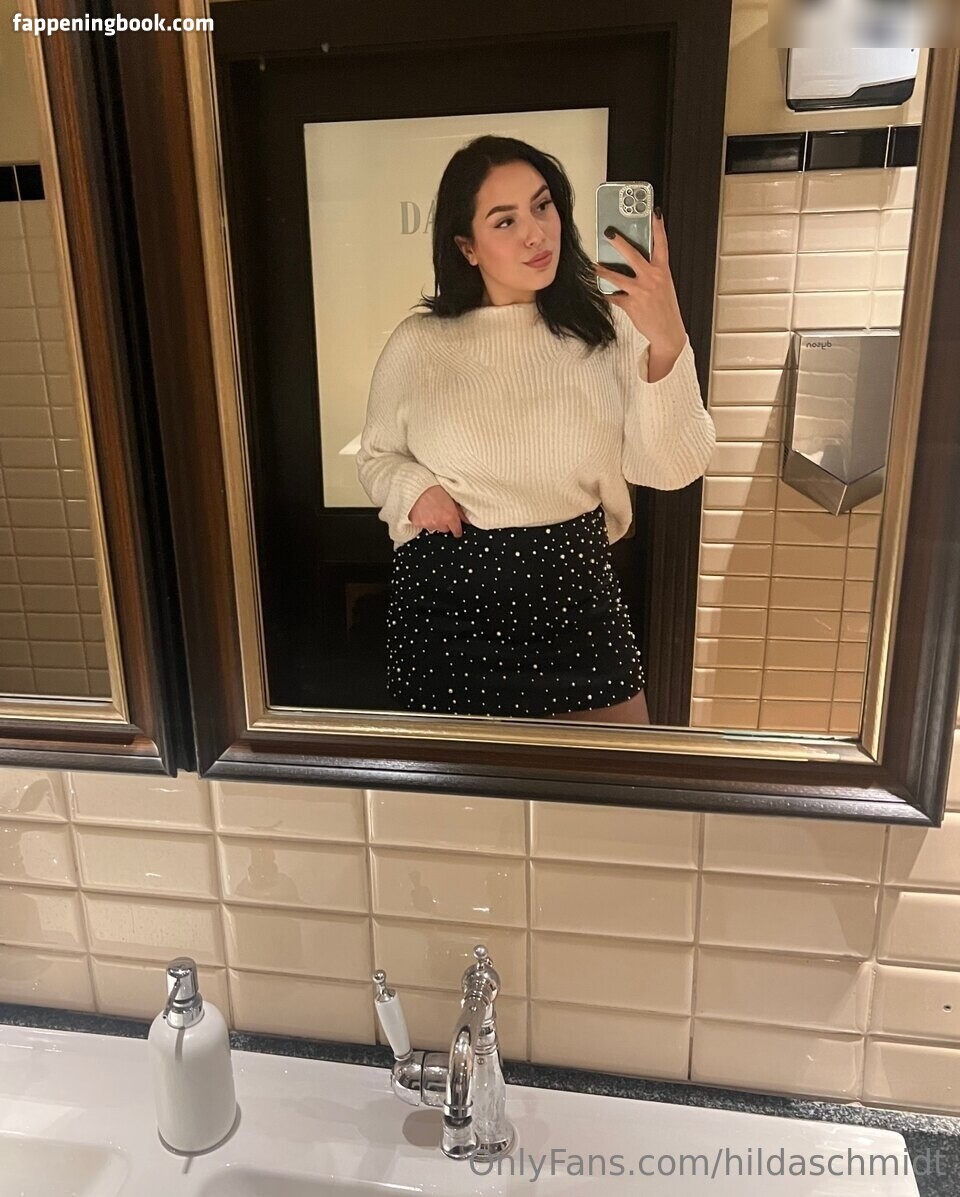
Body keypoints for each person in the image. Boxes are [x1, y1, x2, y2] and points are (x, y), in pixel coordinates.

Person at [356, 135, 715, 724]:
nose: (535, 234)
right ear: (467, 247)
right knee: (460, 788)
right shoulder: (419, 343)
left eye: (543, 206)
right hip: (450, 609)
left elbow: (671, 469)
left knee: (616, 780)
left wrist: (668, 340)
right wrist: (413, 490)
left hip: (576, 599)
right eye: (506, 221)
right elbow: (376, 455)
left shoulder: (611, 328)